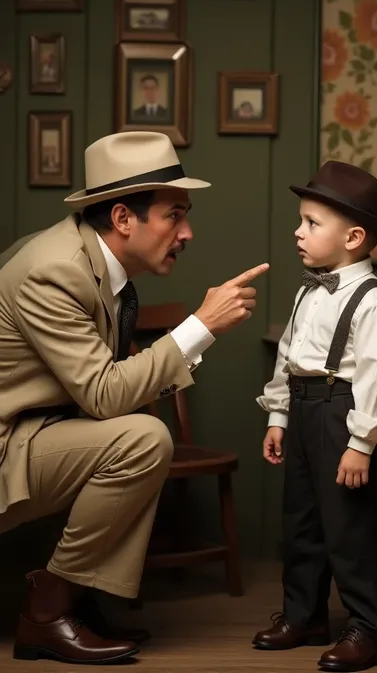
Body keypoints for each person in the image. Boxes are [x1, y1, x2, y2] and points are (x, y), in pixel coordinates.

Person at [0, 131, 269, 666]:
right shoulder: (52, 271)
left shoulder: (95, 264)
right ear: (124, 219)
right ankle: (47, 613)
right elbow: (103, 395)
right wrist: (200, 327)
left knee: (138, 436)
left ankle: (74, 602)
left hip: (38, 431)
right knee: (144, 439)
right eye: (175, 215)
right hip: (8, 446)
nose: (187, 231)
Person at [252, 160, 377, 672]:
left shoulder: (373, 302)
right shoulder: (306, 290)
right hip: (301, 408)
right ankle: (305, 614)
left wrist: (362, 444)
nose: (299, 231)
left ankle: (368, 628)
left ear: (354, 237)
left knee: (347, 527)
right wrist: (278, 415)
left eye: (312, 223)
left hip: (344, 416)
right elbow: (288, 356)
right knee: (302, 522)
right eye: (301, 220)